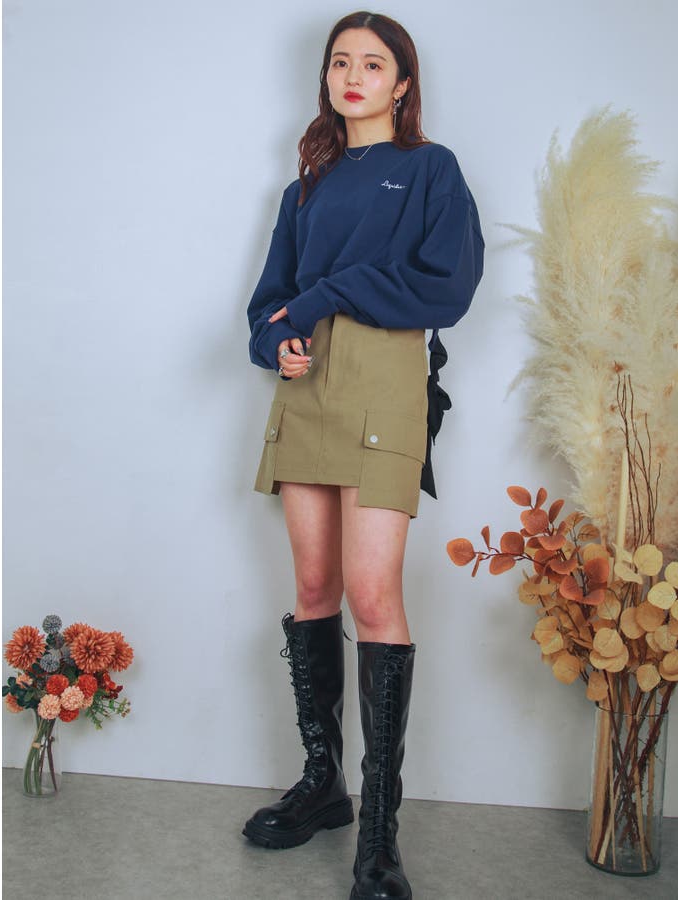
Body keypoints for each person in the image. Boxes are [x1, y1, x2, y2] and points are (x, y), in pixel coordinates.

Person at [242, 11, 483, 899]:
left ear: (402, 83)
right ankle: (324, 786)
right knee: (313, 589)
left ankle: (379, 837)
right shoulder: (304, 187)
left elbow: (447, 286)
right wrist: (277, 344)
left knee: (375, 595)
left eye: (373, 64)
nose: (353, 76)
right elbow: (269, 304)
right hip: (306, 392)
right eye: (340, 61)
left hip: (385, 384)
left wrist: (328, 295)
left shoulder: (430, 170)